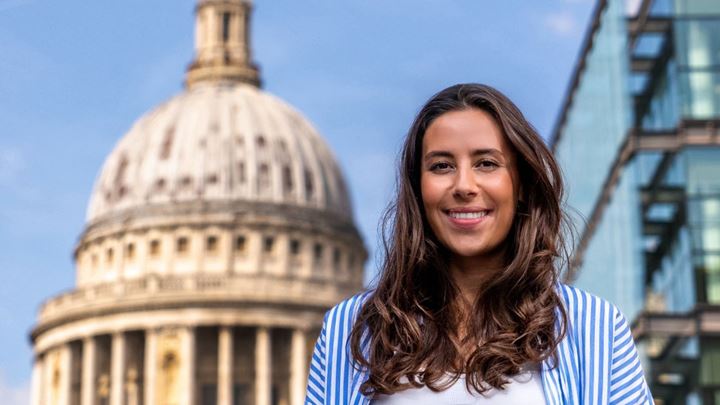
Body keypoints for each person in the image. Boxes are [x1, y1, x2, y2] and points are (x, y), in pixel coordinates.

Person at [305, 84, 653, 404]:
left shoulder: (596, 330)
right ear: (417, 188)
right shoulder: (350, 330)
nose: (464, 185)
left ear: (522, 185)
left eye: (486, 163)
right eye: (441, 165)